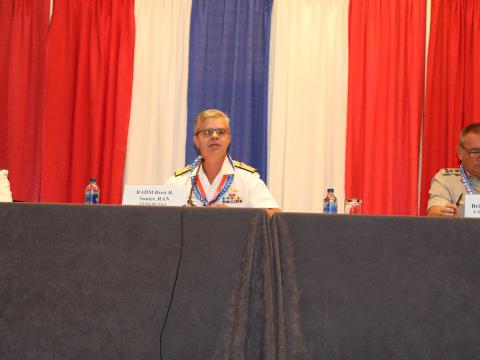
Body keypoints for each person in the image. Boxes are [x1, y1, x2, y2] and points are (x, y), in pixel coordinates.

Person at [166, 109, 280, 215]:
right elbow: (161, 218)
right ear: (196, 141)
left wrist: (234, 216)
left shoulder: (247, 178)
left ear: (228, 139)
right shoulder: (179, 182)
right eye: (207, 132)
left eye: (221, 132)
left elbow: (274, 214)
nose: (214, 136)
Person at [427, 123, 480, 217]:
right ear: (460, 153)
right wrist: (444, 214)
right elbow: (435, 213)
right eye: (475, 152)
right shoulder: (446, 179)